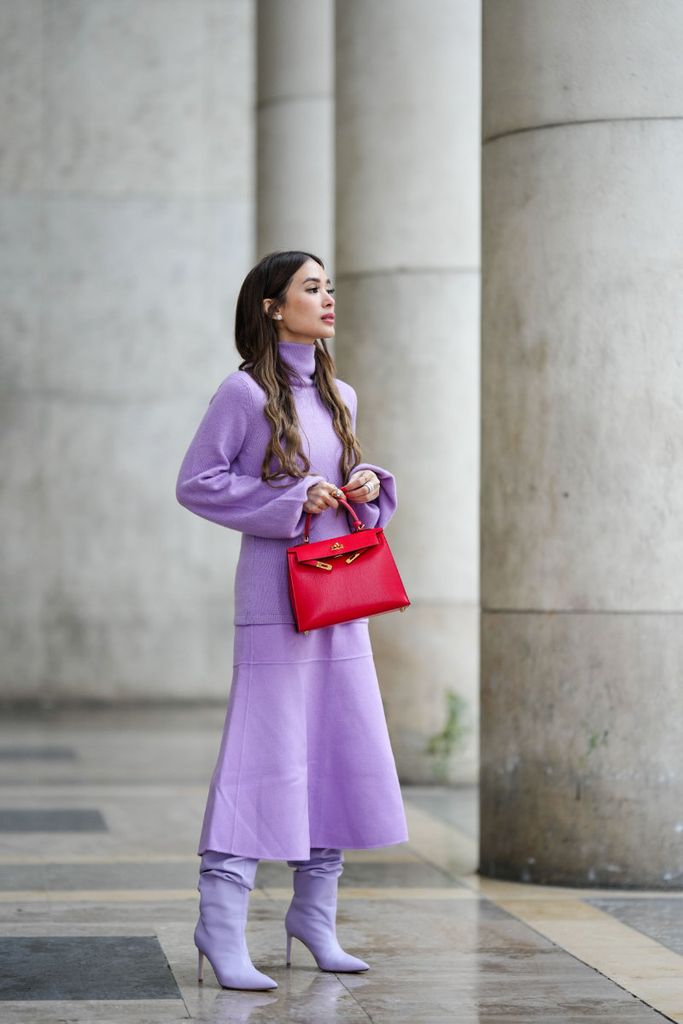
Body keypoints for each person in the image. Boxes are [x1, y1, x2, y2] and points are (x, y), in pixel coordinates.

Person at [175, 249, 409, 991]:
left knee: (334, 749)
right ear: (273, 306)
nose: (326, 297)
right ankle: (220, 926)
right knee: (260, 755)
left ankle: (314, 918)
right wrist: (287, 503)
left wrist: (364, 484)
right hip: (275, 601)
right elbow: (198, 483)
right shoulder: (241, 394)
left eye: (328, 286)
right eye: (311, 288)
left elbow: (345, 485)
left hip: (338, 600)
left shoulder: (342, 393)